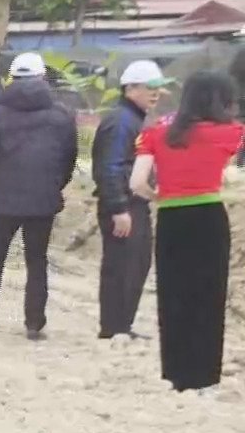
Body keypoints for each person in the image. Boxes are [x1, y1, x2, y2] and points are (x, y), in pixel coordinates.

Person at [131, 69, 243, 393]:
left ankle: (176, 374)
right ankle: (205, 376)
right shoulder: (229, 132)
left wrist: (162, 197)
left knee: (173, 293)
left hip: (171, 218)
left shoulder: (156, 131)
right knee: (208, 296)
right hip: (208, 216)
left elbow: (137, 183)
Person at [0, 52, 78, 341]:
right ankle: (33, 324)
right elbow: (69, 160)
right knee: (37, 260)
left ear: (12, 79)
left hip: (4, 199)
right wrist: (53, 185)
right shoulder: (62, 115)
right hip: (43, 201)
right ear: (43, 78)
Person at [91, 59, 169, 341]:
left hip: (131, 202)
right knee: (123, 265)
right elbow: (111, 167)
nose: (156, 93)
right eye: (150, 87)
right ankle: (114, 327)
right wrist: (119, 208)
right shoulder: (122, 122)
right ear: (130, 88)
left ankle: (120, 324)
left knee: (134, 263)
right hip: (125, 205)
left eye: (159, 88)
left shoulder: (132, 120)